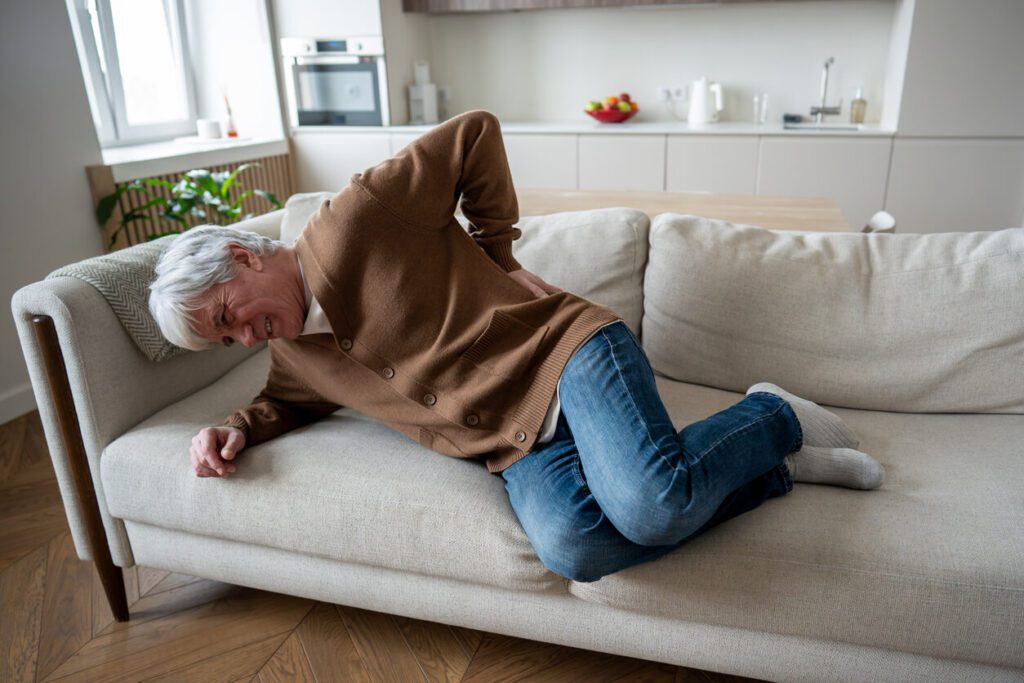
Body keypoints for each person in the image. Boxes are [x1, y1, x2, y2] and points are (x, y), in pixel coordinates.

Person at [149, 109, 883, 583]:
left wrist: (495, 253)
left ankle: (772, 416)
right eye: (226, 339)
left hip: (566, 358)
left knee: (654, 504)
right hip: (517, 445)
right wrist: (233, 429)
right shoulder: (295, 359)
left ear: (243, 259)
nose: (243, 336)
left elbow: (474, 133)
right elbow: (280, 401)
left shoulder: (356, 218)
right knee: (578, 548)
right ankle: (769, 474)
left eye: (228, 315)